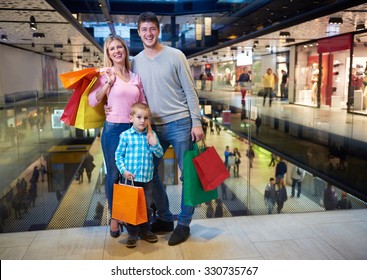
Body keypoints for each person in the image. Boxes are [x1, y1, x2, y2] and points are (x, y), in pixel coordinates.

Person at [131, 12, 205, 246]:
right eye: (144, 29)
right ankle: (164, 218)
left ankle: (183, 223)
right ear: (138, 32)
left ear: (158, 30)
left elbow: (190, 90)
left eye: (152, 28)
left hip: (181, 122)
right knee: (148, 172)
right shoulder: (135, 61)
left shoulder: (176, 55)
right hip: (153, 128)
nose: (148, 33)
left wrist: (197, 122)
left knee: (188, 175)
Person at [89, 34, 147, 239]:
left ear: (125, 49)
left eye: (119, 47)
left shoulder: (135, 77)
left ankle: (129, 215)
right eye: (112, 48)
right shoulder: (106, 74)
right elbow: (92, 101)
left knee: (128, 174)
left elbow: (142, 104)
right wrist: (107, 85)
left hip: (133, 131)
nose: (116, 51)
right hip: (113, 129)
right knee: (113, 174)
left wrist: (148, 130)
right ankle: (115, 216)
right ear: (108, 53)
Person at [115, 102, 164, 248]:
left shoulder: (151, 135)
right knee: (132, 207)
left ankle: (145, 230)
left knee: (147, 207)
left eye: (146, 118)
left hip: (147, 179)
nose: (142, 121)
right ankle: (132, 233)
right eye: (139, 117)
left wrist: (154, 144)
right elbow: (118, 156)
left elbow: (160, 153)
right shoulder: (125, 136)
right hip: (131, 180)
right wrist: (123, 170)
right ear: (131, 118)